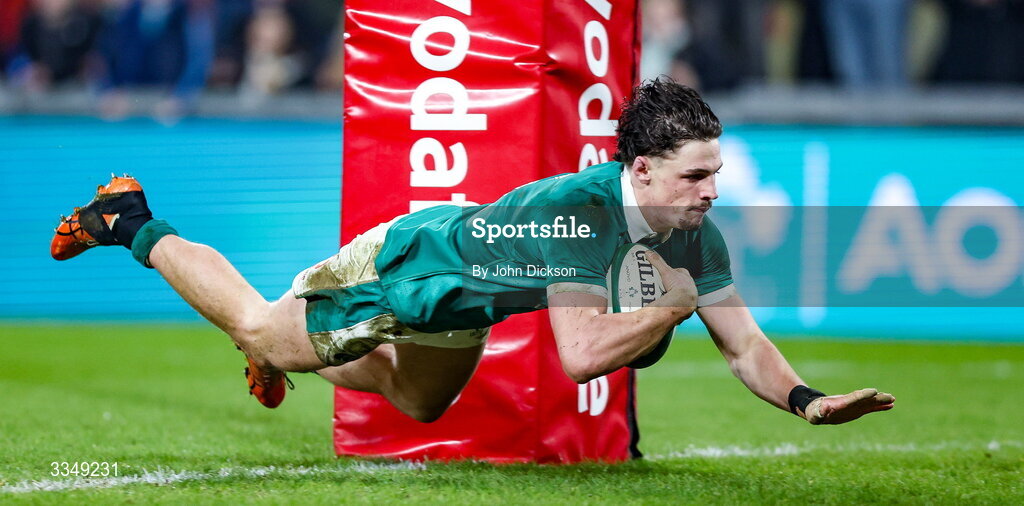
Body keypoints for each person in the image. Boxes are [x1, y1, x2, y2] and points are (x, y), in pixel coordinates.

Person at [51, 78, 895, 426]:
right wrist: (670, 309)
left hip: (469, 298)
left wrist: (807, 400)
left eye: (718, 172)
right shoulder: (583, 214)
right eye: (699, 174)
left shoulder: (687, 231)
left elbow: (743, 340)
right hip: (410, 272)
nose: (715, 189)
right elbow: (578, 358)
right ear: (642, 169)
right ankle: (129, 218)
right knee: (262, 330)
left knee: (418, 405)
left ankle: (288, 353)